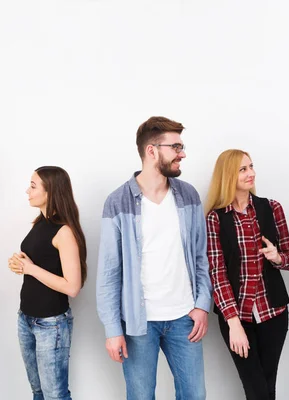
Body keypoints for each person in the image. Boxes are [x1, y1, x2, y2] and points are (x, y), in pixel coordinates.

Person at [96, 116, 212, 400]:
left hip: (185, 318)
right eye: (176, 147)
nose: (182, 154)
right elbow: (109, 273)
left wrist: (202, 305)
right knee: (140, 396)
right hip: (139, 324)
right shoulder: (118, 201)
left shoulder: (188, 196)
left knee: (195, 395)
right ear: (151, 151)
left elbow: (201, 256)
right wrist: (113, 329)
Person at [205, 149, 289, 400]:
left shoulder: (272, 208)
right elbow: (217, 274)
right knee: (255, 388)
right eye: (243, 169)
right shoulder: (215, 219)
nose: (251, 173)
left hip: (273, 313)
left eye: (251, 166)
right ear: (228, 175)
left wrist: (277, 257)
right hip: (237, 318)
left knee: (267, 386)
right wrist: (233, 323)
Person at [8, 166, 87, 400]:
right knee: (38, 391)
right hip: (26, 319)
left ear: (50, 191)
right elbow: (42, 262)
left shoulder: (64, 231)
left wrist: (30, 268)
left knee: (55, 395)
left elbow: (72, 286)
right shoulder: (39, 223)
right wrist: (21, 264)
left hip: (51, 324)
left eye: (33, 186)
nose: (27, 191)